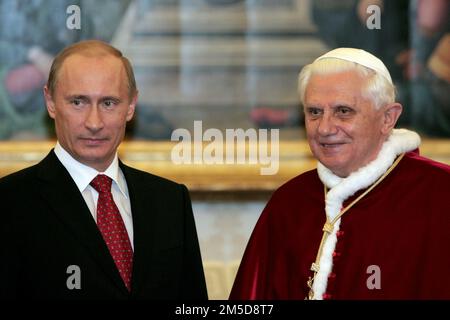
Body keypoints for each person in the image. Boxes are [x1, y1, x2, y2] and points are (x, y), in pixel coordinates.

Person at [229, 47, 450, 300]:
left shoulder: (441, 195)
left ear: (388, 118)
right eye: (314, 112)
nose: (324, 128)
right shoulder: (288, 202)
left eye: (343, 111)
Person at [0, 40, 207, 300]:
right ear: (51, 103)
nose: (94, 123)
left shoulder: (170, 201)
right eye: (78, 102)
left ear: (131, 106)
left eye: (109, 103)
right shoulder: (8, 204)